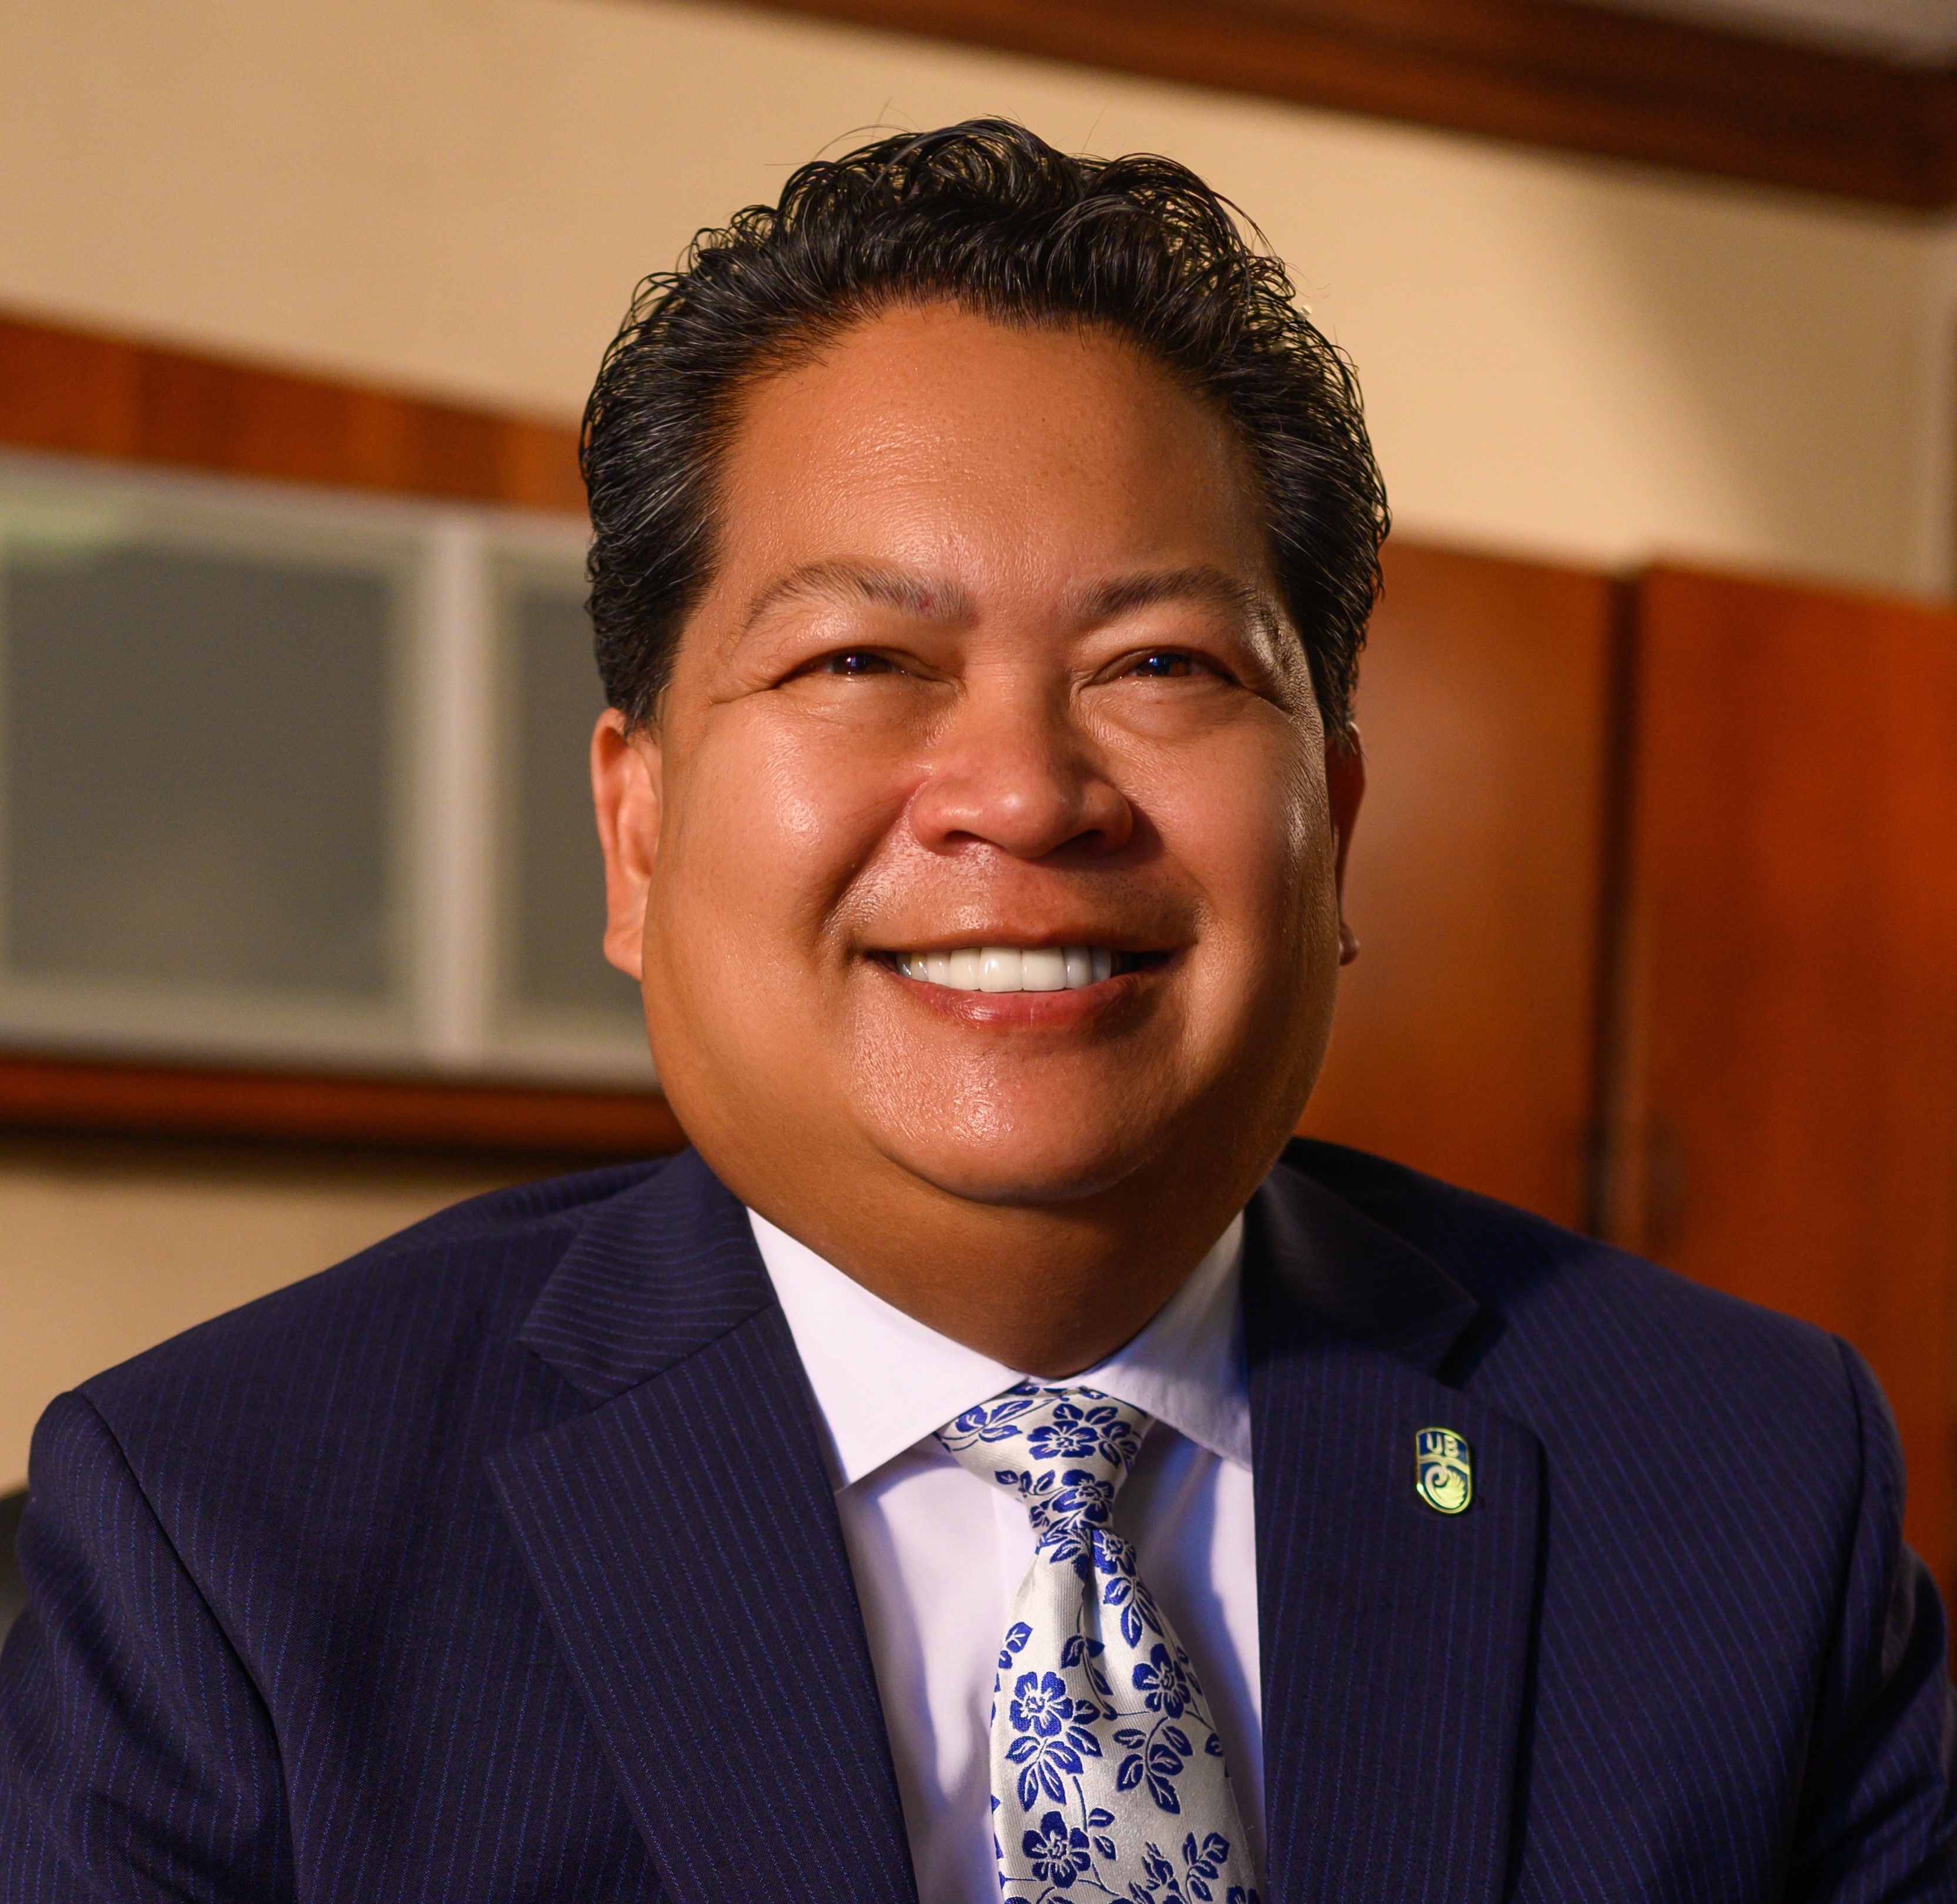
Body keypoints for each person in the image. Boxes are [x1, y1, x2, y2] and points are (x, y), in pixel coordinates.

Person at [1, 120, 1949, 1903]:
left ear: (1334, 829)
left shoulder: (1744, 1480)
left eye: (1160, 663)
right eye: (862, 659)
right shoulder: (228, 1524)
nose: (1021, 796)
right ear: (638, 830)